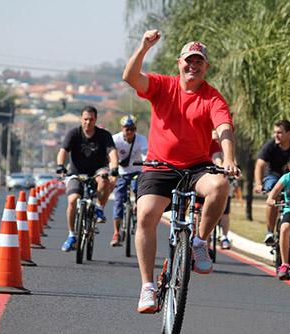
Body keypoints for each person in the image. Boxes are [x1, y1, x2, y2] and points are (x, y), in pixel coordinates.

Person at [122, 30, 240, 313]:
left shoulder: (213, 97)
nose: (193, 66)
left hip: (197, 168)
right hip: (159, 166)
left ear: (206, 67)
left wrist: (229, 159)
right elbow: (130, 77)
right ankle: (147, 287)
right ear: (180, 63)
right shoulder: (163, 86)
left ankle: (199, 241)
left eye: (198, 62)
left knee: (220, 186)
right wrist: (144, 47)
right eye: (188, 61)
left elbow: (224, 128)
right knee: (146, 216)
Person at [56, 106, 119, 252]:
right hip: (76, 172)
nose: (88, 122)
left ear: (96, 120)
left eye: (91, 119)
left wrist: (114, 168)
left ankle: (99, 209)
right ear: (81, 119)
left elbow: (112, 153)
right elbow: (63, 151)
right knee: (72, 200)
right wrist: (60, 166)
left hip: (97, 171)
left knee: (104, 178)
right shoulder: (73, 134)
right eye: (85, 119)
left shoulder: (104, 135)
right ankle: (72, 235)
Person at [253, 120, 290, 246]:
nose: (276, 135)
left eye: (280, 132)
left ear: (289, 133)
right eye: (275, 132)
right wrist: (259, 183)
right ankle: (269, 232)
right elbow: (260, 164)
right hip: (274, 176)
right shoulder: (271, 145)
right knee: (274, 195)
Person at [110, 115, 148, 247]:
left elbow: (145, 155)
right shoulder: (115, 139)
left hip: (137, 172)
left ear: (135, 129)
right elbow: (110, 155)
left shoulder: (141, 139)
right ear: (122, 129)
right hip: (121, 173)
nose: (129, 132)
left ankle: (137, 208)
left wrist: (146, 164)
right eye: (127, 129)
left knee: (139, 190)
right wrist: (112, 169)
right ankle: (116, 233)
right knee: (119, 201)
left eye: (132, 129)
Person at [209, 130, 232, 249]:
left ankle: (224, 236)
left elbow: (229, 161)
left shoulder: (227, 147)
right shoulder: (205, 143)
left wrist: (229, 168)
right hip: (205, 181)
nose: (216, 140)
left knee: (225, 212)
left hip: (222, 180)